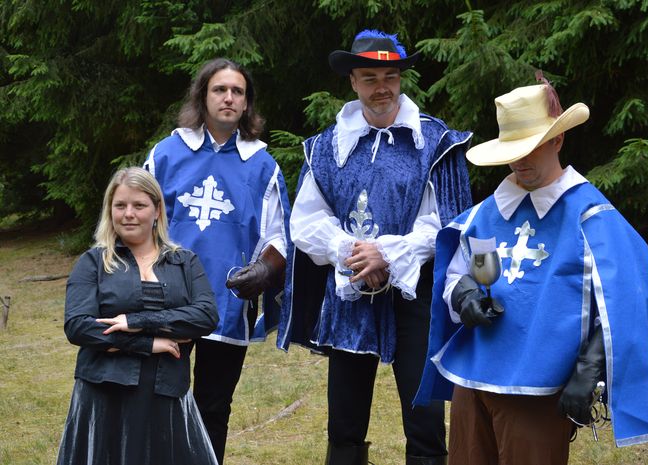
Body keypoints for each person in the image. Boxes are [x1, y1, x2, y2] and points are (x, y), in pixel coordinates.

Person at [414, 75, 648, 465]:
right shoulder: (486, 214)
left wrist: (591, 368)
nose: (520, 161)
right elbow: (458, 273)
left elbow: (627, 302)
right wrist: (463, 294)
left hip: (539, 388)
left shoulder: (591, 217)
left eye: (531, 147)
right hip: (474, 378)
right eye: (512, 151)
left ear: (558, 140)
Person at [277, 30, 473, 465]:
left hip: (414, 291)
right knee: (344, 420)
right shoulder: (327, 147)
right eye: (370, 78)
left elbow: (445, 221)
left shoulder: (433, 142)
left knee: (424, 416)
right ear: (353, 81)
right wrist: (351, 252)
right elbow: (306, 221)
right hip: (352, 291)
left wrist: (389, 253)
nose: (382, 87)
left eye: (390, 77)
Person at [144, 58, 291, 464]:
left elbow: (279, 237)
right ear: (202, 96)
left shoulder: (262, 165)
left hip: (227, 303)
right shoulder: (166, 154)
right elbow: (136, 220)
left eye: (237, 91)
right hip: (166, 299)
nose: (229, 98)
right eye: (220, 90)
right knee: (159, 399)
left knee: (213, 407)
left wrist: (265, 269)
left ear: (246, 103)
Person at [57, 167, 219, 464]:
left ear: (157, 211)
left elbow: (206, 316)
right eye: (120, 205)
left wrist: (136, 322)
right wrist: (149, 343)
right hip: (105, 392)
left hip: (165, 390)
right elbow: (78, 326)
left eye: (139, 205)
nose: (128, 214)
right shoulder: (93, 262)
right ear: (110, 211)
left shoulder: (184, 262)